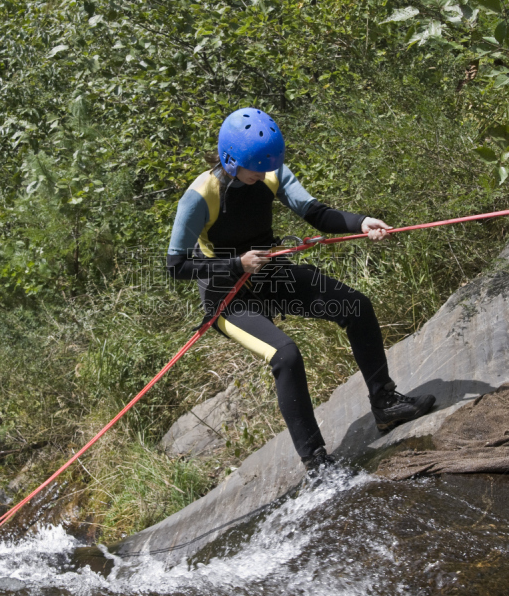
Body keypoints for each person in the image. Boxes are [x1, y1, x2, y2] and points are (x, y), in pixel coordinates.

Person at [166, 108, 435, 473]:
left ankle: (385, 404)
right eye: (254, 169)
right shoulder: (200, 196)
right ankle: (317, 463)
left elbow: (315, 213)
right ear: (230, 161)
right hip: (227, 298)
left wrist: (361, 222)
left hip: (270, 277)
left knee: (355, 306)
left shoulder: (269, 170)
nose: (262, 174)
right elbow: (176, 266)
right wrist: (236, 264)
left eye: (267, 167)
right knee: (286, 356)